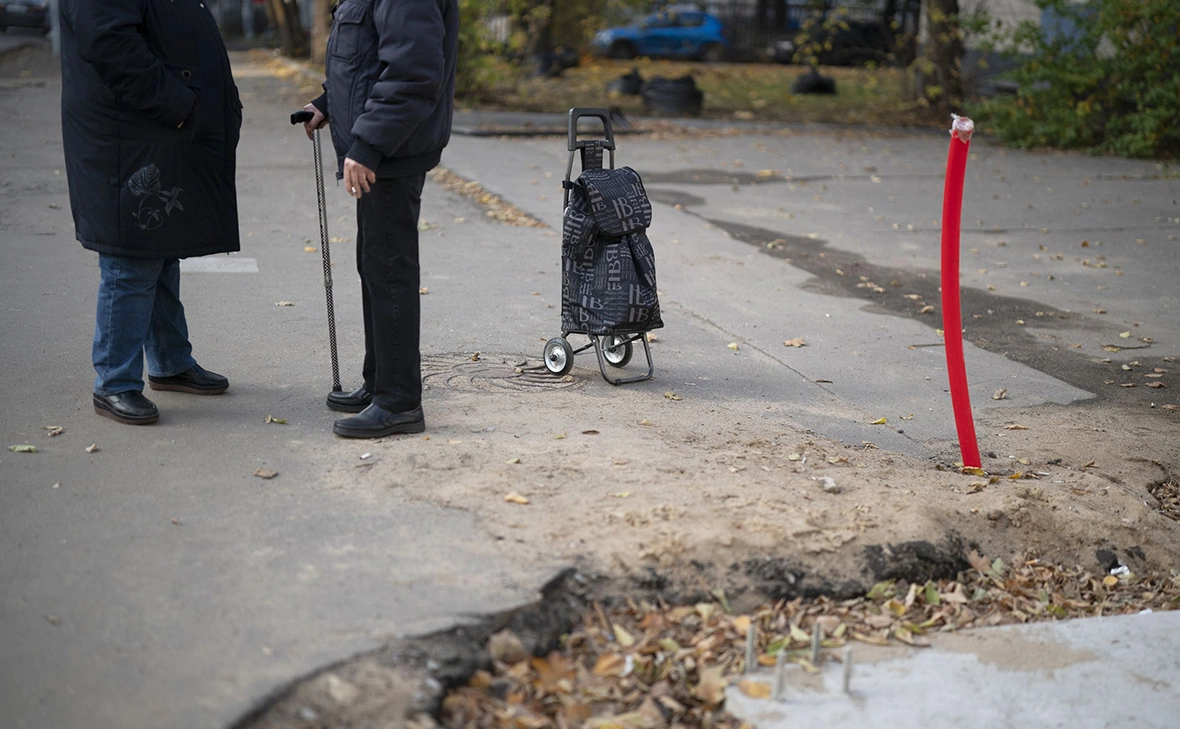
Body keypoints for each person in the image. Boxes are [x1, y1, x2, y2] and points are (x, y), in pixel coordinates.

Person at [59, 0, 242, 425]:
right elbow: (110, 41)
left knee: (159, 248)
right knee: (130, 257)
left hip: (148, 130)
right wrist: (179, 105)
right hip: (128, 134)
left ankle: (170, 362)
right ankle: (115, 382)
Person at [300, 0, 458, 439]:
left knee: (389, 271)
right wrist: (327, 102)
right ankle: (379, 384)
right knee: (375, 264)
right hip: (384, 146)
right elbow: (368, 59)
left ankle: (399, 402)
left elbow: (413, 72)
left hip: (392, 150)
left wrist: (368, 143)